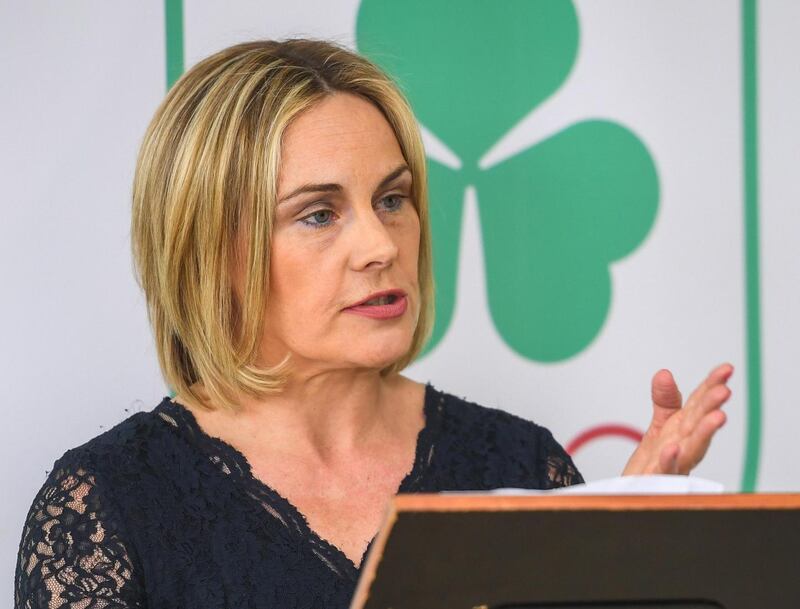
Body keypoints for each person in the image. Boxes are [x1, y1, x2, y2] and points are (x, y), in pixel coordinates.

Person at [14, 39, 732, 609]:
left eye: (393, 199)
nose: (383, 246)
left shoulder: (522, 465)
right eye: (319, 213)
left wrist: (619, 549)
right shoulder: (104, 505)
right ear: (213, 250)